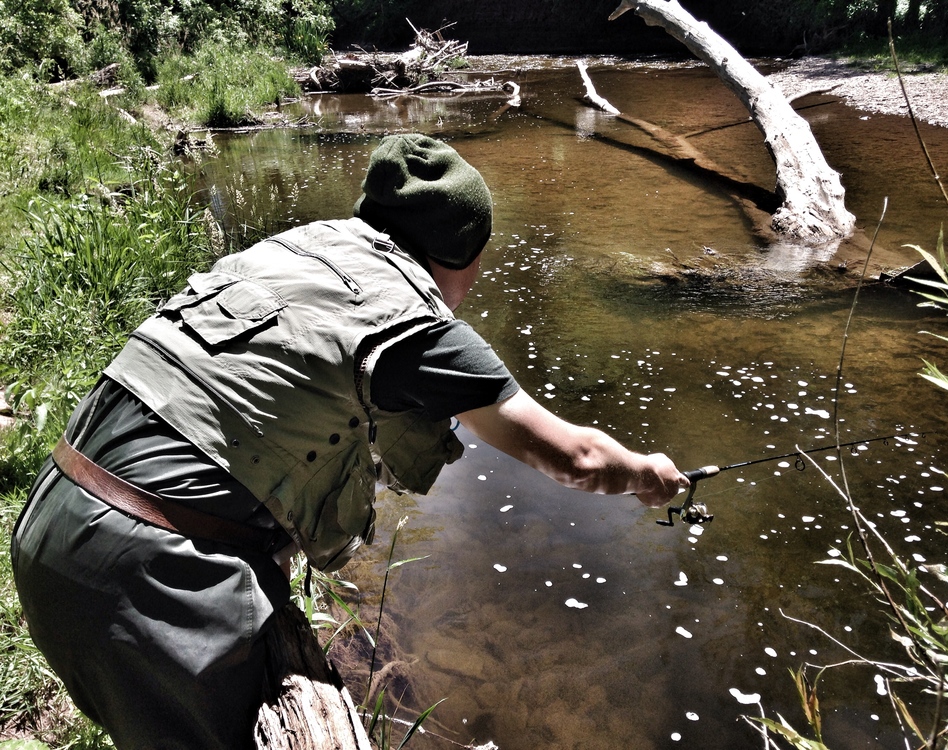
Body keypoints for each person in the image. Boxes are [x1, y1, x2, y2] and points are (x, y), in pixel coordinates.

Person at [10, 133, 687, 749]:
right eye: (477, 267)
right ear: (464, 254)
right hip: (151, 578)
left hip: (45, 530)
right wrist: (646, 471)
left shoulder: (296, 247)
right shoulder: (419, 323)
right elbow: (576, 457)